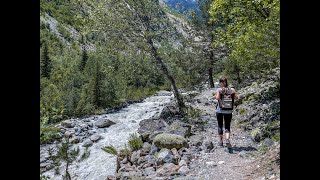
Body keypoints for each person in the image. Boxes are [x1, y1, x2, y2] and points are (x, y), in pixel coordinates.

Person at [215, 77, 238, 148]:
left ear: (221, 82)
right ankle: (227, 139)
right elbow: (236, 98)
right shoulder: (232, 90)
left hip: (220, 110)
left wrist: (219, 99)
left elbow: (217, 98)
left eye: (220, 82)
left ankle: (221, 142)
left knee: (220, 125)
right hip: (228, 111)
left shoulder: (219, 89)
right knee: (227, 125)